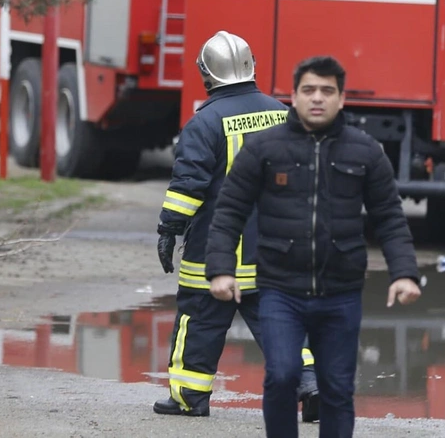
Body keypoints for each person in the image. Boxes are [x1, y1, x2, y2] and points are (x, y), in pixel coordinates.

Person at [206, 55, 421, 438]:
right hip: (279, 290)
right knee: (283, 375)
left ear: (341, 98)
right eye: (308, 90)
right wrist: (221, 269)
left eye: (327, 91)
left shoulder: (366, 151)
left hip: (341, 292)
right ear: (293, 96)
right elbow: (229, 210)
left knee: (336, 387)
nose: (317, 98)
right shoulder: (264, 149)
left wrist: (404, 274)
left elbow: (389, 216)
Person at [154, 31, 319, 420]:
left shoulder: (205, 122)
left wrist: (168, 230)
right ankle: (310, 384)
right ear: (251, 66)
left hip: (217, 252)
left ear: (207, 74)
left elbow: (187, 188)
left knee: (199, 320)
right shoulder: (283, 114)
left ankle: (190, 398)